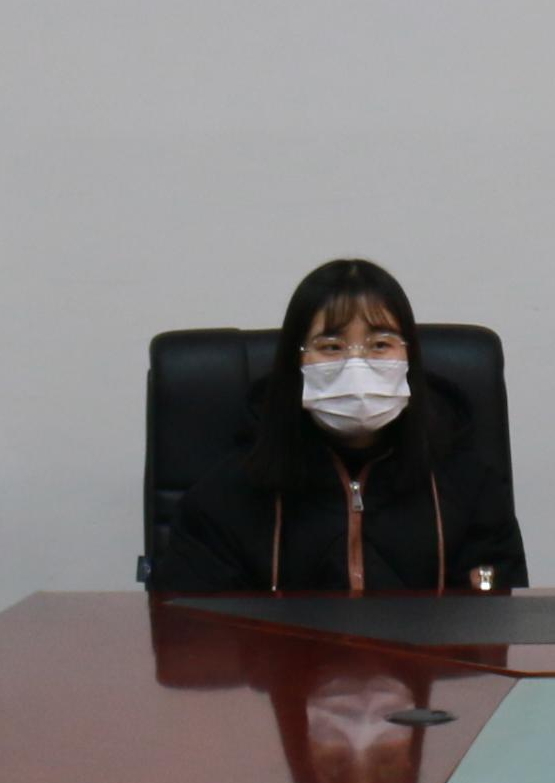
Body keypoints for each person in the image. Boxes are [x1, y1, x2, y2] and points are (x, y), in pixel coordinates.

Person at [149, 256, 528, 598]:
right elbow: (191, 632)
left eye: (380, 345)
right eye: (331, 347)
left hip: (425, 657)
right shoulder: (226, 496)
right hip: (281, 658)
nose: (355, 365)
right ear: (296, 363)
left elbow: (496, 625)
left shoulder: (470, 487)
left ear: (409, 357)